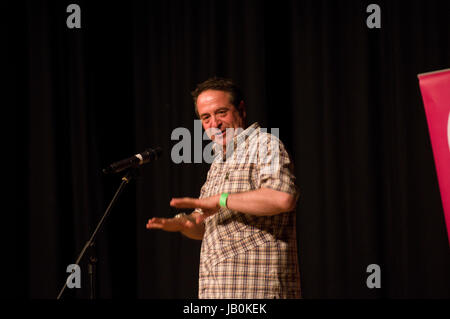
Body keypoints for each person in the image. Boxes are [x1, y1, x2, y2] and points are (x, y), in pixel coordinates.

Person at [146, 77, 301, 298]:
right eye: (205, 117)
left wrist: (221, 199)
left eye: (221, 112)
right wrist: (184, 224)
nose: (214, 123)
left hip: (259, 293)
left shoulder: (264, 143)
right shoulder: (219, 162)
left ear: (241, 109)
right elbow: (203, 226)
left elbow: (283, 198)